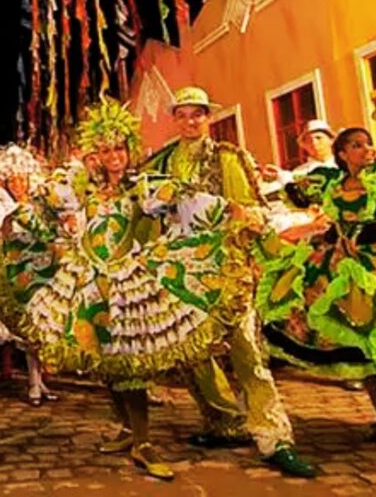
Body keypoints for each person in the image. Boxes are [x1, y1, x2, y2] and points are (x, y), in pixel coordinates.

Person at [24, 99, 244, 480]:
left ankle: (143, 442)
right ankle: (126, 429)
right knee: (104, 361)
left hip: (128, 284)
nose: (114, 156)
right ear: (96, 153)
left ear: (129, 149)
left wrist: (237, 212)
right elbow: (44, 201)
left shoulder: (141, 187)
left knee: (130, 365)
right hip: (89, 282)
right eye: (105, 149)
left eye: (119, 148)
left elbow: (190, 202)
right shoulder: (84, 189)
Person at [144, 87, 316, 478]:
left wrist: (226, 217)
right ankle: (225, 421)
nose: (190, 121)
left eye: (198, 114)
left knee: (248, 353)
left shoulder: (227, 157)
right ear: (175, 118)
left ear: (208, 118)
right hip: (179, 272)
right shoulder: (161, 163)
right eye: (183, 114)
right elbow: (147, 211)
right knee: (191, 353)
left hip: (227, 267)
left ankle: (275, 438)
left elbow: (253, 211)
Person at [257, 126, 376, 463]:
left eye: (369, 144)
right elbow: (294, 193)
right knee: (363, 350)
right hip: (337, 269)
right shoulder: (330, 183)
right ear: (343, 154)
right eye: (357, 146)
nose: (367, 150)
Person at [0, 144, 59, 405]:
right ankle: (33, 382)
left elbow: (51, 231)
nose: (19, 184)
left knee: (42, 328)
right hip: (17, 274)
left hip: (43, 271)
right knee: (26, 330)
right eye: (14, 179)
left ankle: (39, 381)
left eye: (23, 179)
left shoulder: (39, 202)